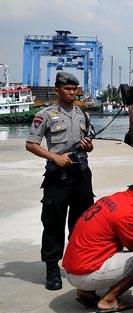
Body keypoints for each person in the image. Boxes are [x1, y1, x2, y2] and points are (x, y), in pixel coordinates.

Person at [25, 70, 95, 291]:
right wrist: (55, 157)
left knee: (82, 221)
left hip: (81, 173)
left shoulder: (82, 115)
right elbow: (31, 144)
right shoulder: (46, 115)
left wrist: (89, 147)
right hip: (58, 175)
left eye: (74, 89)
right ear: (57, 90)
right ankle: (52, 268)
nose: (72, 93)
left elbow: (89, 143)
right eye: (67, 89)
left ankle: (77, 262)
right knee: (54, 221)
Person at [61, 183, 133, 313]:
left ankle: (86, 291)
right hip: (85, 273)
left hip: (73, 269)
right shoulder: (125, 214)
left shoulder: (110, 199)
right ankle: (109, 300)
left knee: (109, 246)